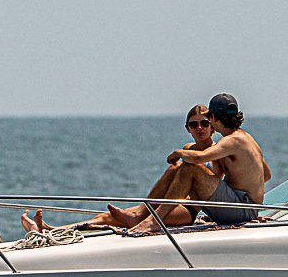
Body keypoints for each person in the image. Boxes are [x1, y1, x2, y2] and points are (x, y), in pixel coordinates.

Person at [26, 105, 221, 235]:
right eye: (194, 124)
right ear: (187, 128)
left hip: (187, 210)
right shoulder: (188, 149)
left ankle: (141, 214)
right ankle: (52, 230)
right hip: (165, 204)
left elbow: (215, 186)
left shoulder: (217, 152)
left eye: (204, 123)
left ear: (212, 127)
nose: (199, 128)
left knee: (126, 219)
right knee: (107, 217)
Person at [136, 92, 270, 231]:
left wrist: (178, 153)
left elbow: (200, 158)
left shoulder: (232, 140)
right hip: (246, 207)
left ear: (213, 118)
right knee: (180, 169)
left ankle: (154, 221)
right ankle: (141, 214)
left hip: (242, 210)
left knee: (190, 168)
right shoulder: (247, 138)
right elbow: (266, 175)